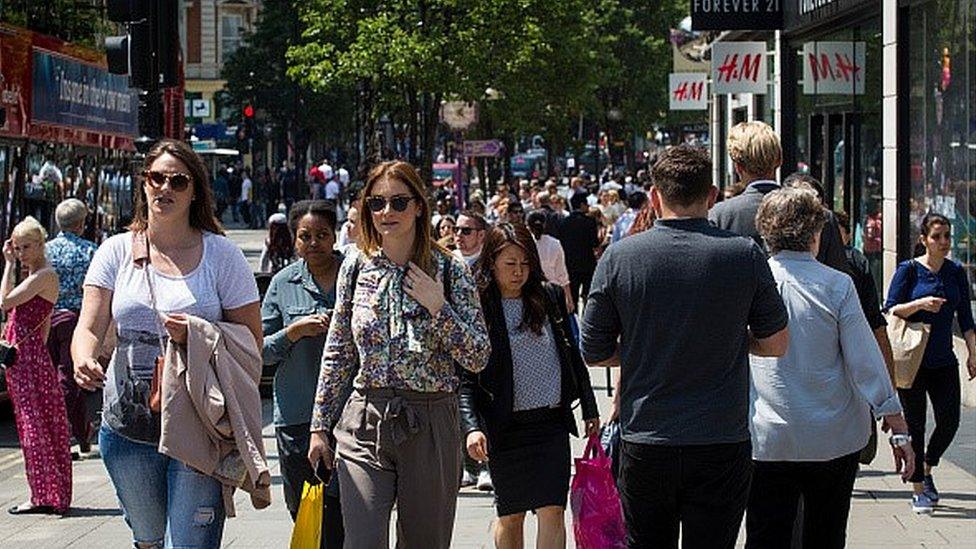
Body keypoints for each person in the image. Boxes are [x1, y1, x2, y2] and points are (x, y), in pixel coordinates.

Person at [581, 145, 790, 548]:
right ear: (712, 196)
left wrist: (644, 348)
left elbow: (593, 351)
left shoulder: (620, 257)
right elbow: (777, 343)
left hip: (647, 439)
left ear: (655, 197)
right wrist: (730, 341)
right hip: (720, 440)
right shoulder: (743, 254)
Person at [71, 139, 262, 548]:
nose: (166, 188)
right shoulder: (116, 251)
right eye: (157, 178)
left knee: (190, 543)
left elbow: (251, 344)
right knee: (148, 537)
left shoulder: (222, 256)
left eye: (178, 181)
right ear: (143, 184)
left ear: (194, 190)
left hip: (199, 424)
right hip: (127, 422)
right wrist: (83, 357)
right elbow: (89, 325)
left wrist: (196, 333)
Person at [306, 160, 490, 548]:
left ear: (419, 206)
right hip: (365, 419)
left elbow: (477, 356)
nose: (386, 212)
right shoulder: (356, 265)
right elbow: (338, 350)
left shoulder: (449, 268)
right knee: (362, 541)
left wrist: (439, 308)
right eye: (376, 203)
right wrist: (319, 426)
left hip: (430, 420)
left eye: (398, 202)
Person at [746, 188, 914, 548]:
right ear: (815, 234)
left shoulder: (752, 284)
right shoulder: (837, 285)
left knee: (765, 533)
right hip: (832, 437)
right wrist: (895, 421)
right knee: (826, 533)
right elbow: (864, 360)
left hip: (767, 436)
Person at [460, 223, 599, 549]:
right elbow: (465, 379)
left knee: (553, 509)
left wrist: (590, 407)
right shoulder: (479, 306)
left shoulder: (548, 296)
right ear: (491, 262)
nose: (518, 272)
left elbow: (572, 356)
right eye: (510, 264)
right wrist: (471, 428)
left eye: (525, 264)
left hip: (550, 425)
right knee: (511, 514)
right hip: (504, 428)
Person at [262, 200, 345, 546]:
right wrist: (293, 332)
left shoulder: (356, 276)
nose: (314, 243)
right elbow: (259, 350)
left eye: (322, 235)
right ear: (294, 239)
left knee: (347, 514)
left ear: (335, 235)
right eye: (305, 236)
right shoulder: (283, 283)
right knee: (307, 510)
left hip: (349, 416)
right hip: (296, 416)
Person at [884, 213, 976, 514]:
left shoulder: (955, 272)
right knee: (916, 425)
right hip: (913, 360)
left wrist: (973, 353)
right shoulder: (909, 270)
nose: (944, 243)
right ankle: (919, 489)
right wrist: (920, 305)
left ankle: (927, 462)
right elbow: (891, 309)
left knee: (950, 421)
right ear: (924, 240)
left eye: (947, 236)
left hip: (943, 360)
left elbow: (966, 319)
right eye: (937, 237)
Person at [2, 216, 71, 515]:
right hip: (31, 358)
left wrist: (6, 265)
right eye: (16, 249)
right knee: (40, 424)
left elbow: (4, 302)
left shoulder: (43, 275)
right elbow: (42, 328)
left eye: (26, 247)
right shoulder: (40, 276)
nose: (20, 253)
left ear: (41, 244)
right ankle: (47, 493)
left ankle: (43, 495)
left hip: (26, 360)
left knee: (33, 427)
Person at [45, 198, 99, 458]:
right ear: (80, 223)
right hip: (74, 321)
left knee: (60, 377)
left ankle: (82, 433)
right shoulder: (90, 251)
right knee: (69, 378)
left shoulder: (44, 251)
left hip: (46, 319)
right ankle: (63, 432)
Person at [557, 192, 599, 311]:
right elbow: (594, 243)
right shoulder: (590, 221)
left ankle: (573, 318)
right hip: (587, 262)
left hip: (570, 263)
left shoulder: (563, 222)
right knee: (588, 293)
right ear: (582, 205)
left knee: (573, 293)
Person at [527, 211, 573, 313]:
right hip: (553, 293)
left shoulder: (524, 244)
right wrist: (569, 298)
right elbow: (562, 274)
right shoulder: (555, 243)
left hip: (531, 293)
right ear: (545, 225)